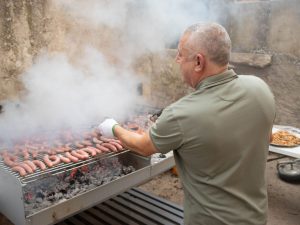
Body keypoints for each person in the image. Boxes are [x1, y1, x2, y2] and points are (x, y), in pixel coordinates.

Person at [98, 22, 276, 225]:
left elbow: (143, 147)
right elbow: (266, 137)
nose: (177, 59)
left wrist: (112, 127)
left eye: (181, 54)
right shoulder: (260, 88)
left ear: (199, 62)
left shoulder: (181, 113)